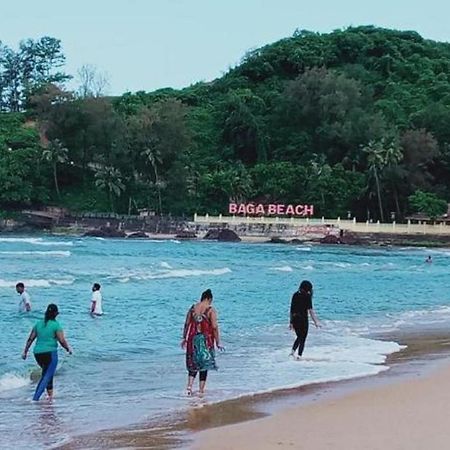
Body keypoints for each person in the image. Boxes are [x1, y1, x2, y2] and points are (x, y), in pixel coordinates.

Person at [22, 304, 72, 400]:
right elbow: (61, 340)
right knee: (47, 375)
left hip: (37, 354)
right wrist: (67, 348)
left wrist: (25, 351)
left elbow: (30, 339)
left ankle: (49, 397)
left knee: (48, 373)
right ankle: (35, 399)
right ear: (56, 314)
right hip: (50, 353)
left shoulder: (38, 324)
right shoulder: (56, 325)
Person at [181, 289, 223, 396]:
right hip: (205, 340)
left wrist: (184, 338)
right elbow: (214, 327)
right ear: (209, 299)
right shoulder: (210, 310)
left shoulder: (192, 309)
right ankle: (200, 391)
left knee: (193, 364)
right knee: (204, 366)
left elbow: (186, 324)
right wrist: (218, 342)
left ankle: (189, 387)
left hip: (193, 339)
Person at [289, 280, 320, 360]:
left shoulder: (295, 295)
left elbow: (292, 310)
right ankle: (299, 356)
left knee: (299, 337)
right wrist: (316, 321)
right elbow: (311, 311)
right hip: (303, 320)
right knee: (303, 338)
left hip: (295, 319)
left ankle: (292, 352)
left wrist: (291, 322)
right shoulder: (307, 296)